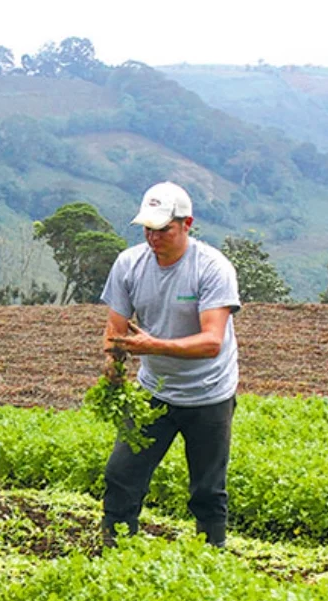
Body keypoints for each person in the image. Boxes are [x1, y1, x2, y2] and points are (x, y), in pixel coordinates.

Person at [99, 181, 241, 547]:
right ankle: (115, 553)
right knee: (121, 476)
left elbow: (212, 342)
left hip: (209, 394)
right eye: (148, 228)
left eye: (163, 229)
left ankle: (210, 560)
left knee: (208, 490)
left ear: (187, 224)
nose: (153, 237)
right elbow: (115, 328)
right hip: (154, 392)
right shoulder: (129, 264)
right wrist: (113, 368)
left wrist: (152, 346)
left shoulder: (211, 268)